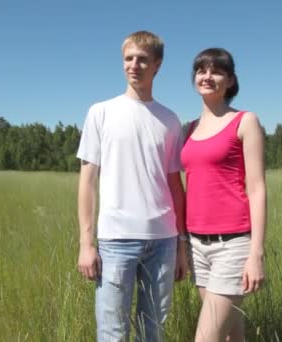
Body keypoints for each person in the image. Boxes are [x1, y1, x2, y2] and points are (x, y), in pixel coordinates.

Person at [76, 30, 188, 341]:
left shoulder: (170, 120)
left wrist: (181, 246)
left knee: (153, 331)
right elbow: (87, 183)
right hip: (116, 241)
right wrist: (86, 245)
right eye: (128, 58)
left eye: (142, 59)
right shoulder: (100, 113)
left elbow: (175, 186)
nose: (134, 65)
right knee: (113, 331)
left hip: (163, 240)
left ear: (157, 65)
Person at [180, 48, 266, 342]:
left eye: (216, 71)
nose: (207, 76)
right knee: (231, 335)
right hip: (196, 246)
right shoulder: (188, 129)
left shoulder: (245, 121)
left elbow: (256, 188)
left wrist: (256, 253)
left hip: (232, 246)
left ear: (230, 80)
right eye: (201, 70)